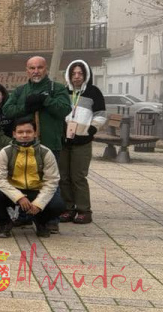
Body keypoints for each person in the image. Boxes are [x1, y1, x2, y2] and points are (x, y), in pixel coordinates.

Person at [0, 117, 64, 239]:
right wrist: (19, 197)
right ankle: (5, 223)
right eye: (20, 132)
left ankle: (41, 222)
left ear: (35, 133)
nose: (24, 135)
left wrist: (39, 203)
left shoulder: (45, 152)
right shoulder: (6, 152)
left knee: (58, 205)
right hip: (14, 190)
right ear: (14, 134)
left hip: (36, 190)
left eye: (28, 132)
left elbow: (52, 181)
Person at [59, 59, 106, 225]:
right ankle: (68, 208)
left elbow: (100, 115)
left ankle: (84, 210)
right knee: (63, 176)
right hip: (64, 141)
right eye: (73, 73)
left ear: (86, 75)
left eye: (80, 73)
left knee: (78, 176)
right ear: (69, 75)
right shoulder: (63, 92)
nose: (77, 76)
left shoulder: (94, 92)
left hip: (82, 141)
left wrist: (90, 131)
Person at [5, 56, 70, 157]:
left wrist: (46, 100)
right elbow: (7, 110)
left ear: (46, 69)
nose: (36, 71)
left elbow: (65, 109)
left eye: (40, 67)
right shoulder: (20, 90)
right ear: (27, 71)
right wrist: (25, 108)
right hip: (24, 146)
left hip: (50, 146)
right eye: (32, 68)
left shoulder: (57, 88)